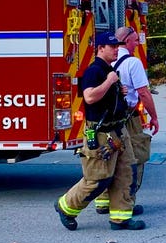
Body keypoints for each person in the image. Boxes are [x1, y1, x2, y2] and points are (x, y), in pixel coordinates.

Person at [54, 32, 146, 230]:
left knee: (126, 173)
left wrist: (118, 91)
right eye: (111, 47)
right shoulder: (95, 71)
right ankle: (66, 206)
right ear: (100, 48)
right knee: (99, 178)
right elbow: (89, 97)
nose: (116, 50)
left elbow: (107, 97)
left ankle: (120, 218)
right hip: (102, 134)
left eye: (117, 46)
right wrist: (109, 83)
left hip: (119, 130)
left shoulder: (110, 70)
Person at [94, 26, 159, 215]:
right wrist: (153, 117)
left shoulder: (104, 62)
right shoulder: (133, 63)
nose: (138, 43)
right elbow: (143, 93)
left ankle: (103, 201)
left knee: (110, 158)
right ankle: (125, 202)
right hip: (128, 119)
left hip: (108, 120)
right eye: (136, 40)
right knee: (133, 159)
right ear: (127, 41)